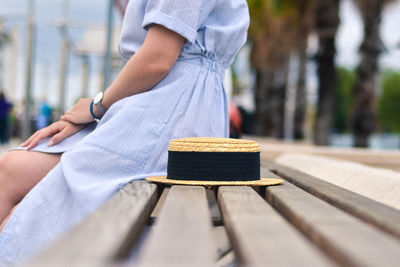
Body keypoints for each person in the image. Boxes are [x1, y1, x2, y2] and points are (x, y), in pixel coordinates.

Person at [0, 0, 250, 265]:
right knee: (11, 172)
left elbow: (158, 58)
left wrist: (98, 106)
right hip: (167, 108)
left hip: (170, 115)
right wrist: (100, 110)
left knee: (17, 208)